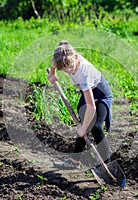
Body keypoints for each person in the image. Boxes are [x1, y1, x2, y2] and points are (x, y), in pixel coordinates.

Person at [48, 40, 113, 169]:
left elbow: (91, 107)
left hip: (101, 95)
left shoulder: (84, 73)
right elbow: (55, 61)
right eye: (64, 69)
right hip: (87, 92)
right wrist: (53, 73)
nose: (68, 70)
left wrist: (84, 128)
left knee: (95, 127)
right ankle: (74, 161)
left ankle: (108, 164)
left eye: (70, 66)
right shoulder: (65, 58)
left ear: (76, 56)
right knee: (83, 124)